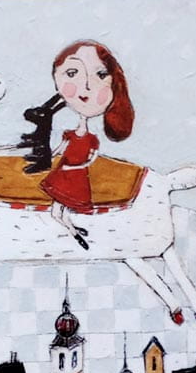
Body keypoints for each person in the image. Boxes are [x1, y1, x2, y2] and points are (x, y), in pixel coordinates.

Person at [39, 40, 134, 249]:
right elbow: (58, 151)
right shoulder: (69, 133)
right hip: (64, 176)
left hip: (74, 177)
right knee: (58, 210)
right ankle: (73, 231)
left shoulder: (91, 139)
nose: (87, 86)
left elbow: (91, 157)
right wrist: (47, 156)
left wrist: (78, 166)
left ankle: (73, 232)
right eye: (72, 73)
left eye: (101, 74)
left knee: (59, 210)